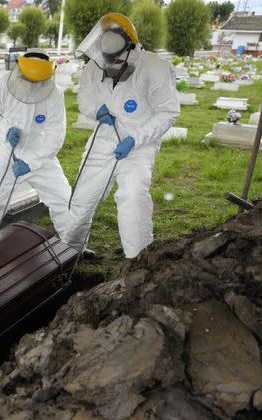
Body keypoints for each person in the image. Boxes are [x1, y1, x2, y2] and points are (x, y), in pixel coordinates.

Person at [60, 13, 179, 259]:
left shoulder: (155, 67)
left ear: (129, 47)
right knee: (82, 201)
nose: (109, 62)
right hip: (103, 141)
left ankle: (138, 261)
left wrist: (135, 138)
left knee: (133, 197)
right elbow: (85, 97)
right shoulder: (95, 64)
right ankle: (70, 251)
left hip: (138, 146)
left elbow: (168, 112)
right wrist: (97, 110)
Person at [0, 53, 71, 249]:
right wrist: (5, 130)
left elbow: (56, 133)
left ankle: (75, 247)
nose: (32, 84)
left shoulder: (54, 92)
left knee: (64, 200)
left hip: (41, 155)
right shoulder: (2, 84)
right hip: (6, 153)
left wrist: (31, 161)